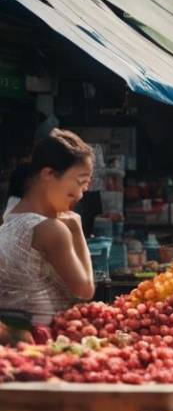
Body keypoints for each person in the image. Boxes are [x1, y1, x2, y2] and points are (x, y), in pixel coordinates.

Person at [0, 129, 96, 325]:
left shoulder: (10, 216)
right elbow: (85, 290)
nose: (80, 195)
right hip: (43, 336)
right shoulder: (51, 229)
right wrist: (77, 231)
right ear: (48, 174)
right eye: (79, 183)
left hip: (13, 336)